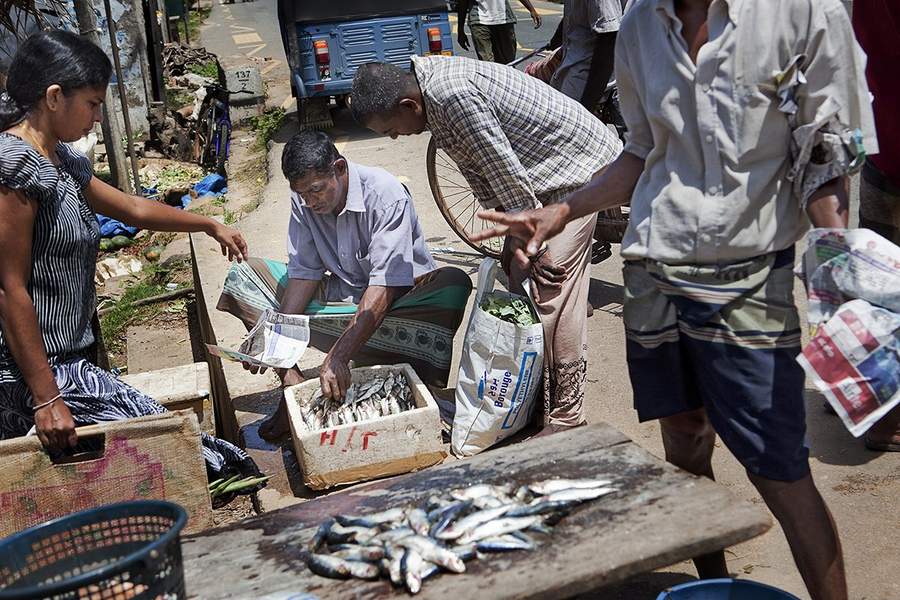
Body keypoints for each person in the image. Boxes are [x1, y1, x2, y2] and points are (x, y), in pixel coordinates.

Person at [470, 1, 877, 598]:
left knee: (777, 466)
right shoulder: (639, 25)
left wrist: (838, 274)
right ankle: (712, 584)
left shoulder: (799, 13)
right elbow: (641, 152)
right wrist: (561, 210)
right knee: (684, 441)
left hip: (749, 276)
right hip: (654, 269)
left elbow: (827, 156)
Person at [0, 31, 259, 486]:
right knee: (185, 455)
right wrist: (45, 398)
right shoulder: (15, 169)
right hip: (33, 370)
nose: (97, 119)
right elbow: (8, 287)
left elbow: (134, 208)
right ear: (55, 97)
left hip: (75, 357)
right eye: (93, 104)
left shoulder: (60, 159)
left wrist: (207, 223)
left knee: (187, 456)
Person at [350, 57, 621, 435]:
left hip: (577, 172)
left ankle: (565, 417)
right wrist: (512, 238)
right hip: (541, 179)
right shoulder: (432, 95)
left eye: (392, 130)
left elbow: (501, 165)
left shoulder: (451, 95)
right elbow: (479, 168)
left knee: (550, 292)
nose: (396, 138)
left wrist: (534, 245)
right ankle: (530, 398)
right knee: (518, 280)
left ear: (408, 106)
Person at [217, 131, 472, 440]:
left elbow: (385, 285)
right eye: (302, 194)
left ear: (338, 168)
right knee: (248, 276)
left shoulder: (385, 193)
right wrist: (276, 339)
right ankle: (294, 389)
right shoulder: (304, 200)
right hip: (343, 304)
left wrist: (339, 355)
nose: (310, 202)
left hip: (396, 309)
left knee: (453, 284)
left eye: (316, 190)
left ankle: (409, 378)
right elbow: (305, 273)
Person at [851, 0, 900, 452]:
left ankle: (871, 401)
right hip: (884, 149)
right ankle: (885, 415)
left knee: (879, 290)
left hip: (881, 150)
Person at [532, 0, 626, 111]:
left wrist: (587, 107)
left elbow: (609, 37)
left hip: (584, 84)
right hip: (570, 73)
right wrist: (557, 38)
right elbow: (573, 13)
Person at [457, 0, 542, 65]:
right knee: (488, 65)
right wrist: (460, 30)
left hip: (504, 21)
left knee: (509, 63)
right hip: (480, 23)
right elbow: (462, 2)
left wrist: (531, 10)